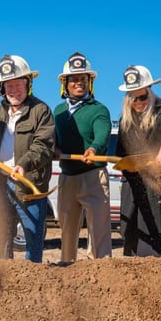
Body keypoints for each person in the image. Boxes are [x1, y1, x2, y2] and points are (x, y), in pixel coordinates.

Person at [0, 55, 55, 262]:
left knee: (32, 238)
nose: (14, 90)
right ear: (2, 88)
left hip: (29, 187)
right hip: (3, 183)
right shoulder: (3, 109)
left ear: (28, 84)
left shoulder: (41, 111)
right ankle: (6, 279)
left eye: (18, 84)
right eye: (9, 86)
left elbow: (43, 145)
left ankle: (31, 280)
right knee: (1, 236)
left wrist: (23, 164)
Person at [116, 65, 161, 257]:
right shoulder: (125, 120)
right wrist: (127, 167)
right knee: (130, 254)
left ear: (150, 92)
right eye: (133, 98)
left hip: (155, 191)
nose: (138, 102)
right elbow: (119, 155)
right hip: (132, 194)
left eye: (142, 97)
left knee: (153, 254)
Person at [53, 52, 112, 263]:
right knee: (67, 230)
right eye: (74, 79)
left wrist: (94, 149)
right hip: (67, 177)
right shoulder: (58, 112)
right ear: (65, 84)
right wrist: (54, 148)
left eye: (84, 79)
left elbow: (103, 134)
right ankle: (66, 270)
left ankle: (101, 274)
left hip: (93, 177)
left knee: (99, 231)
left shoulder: (99, 110)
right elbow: (52, 138)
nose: (79, 83)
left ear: (90, 83)